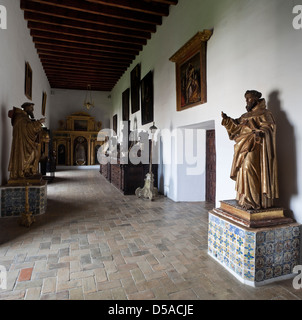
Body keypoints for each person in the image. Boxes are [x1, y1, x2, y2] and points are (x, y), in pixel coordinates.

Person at [221, 90, 279, 210]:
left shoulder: (264, 113)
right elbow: (236, 127)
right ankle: (245, 198)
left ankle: (254, 200)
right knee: (243, 170)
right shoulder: (245, 116)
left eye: (249, 99)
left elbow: (269, 129)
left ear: (257, 99)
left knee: (249, 169)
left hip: (256, 147)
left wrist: (257, 132)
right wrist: (227, 120)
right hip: (243, 146)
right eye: (246, 99)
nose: (247, 101)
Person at [8, 102, 45, 180]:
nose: (33, 110)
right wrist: (38, 123)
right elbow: (28, 129)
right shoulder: (21, 117)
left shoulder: (24, 117)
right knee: (33, 153)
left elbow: (28, 129)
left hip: (26, 141)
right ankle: (23, 171)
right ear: (27, 108)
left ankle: (27, 171)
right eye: (31, 108)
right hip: (22, 142)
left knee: (35, 153)